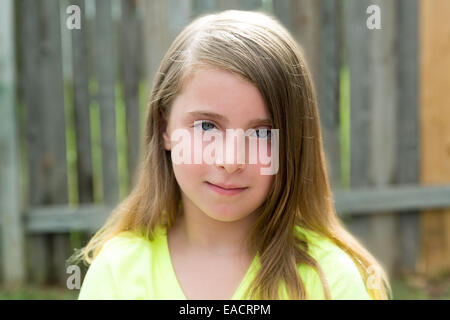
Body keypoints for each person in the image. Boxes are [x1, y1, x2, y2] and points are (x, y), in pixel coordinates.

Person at [72, 10, 391, 300]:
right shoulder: (116, 272)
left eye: (262, 133)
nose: (231, 160)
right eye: (208, 126)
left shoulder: (331, 279)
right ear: (165, 126)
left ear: (292, 145)